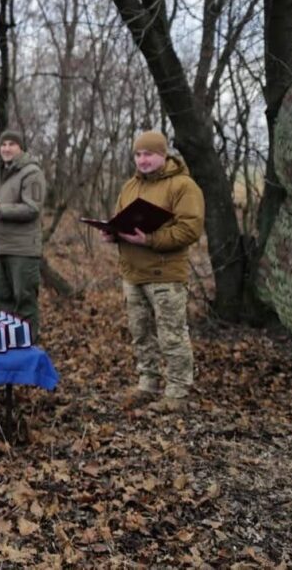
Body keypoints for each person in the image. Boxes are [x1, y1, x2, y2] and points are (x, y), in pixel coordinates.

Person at [101, 130, 204, 413]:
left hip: (165, 276)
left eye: (148, 154)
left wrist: (150, 239)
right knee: (141, 334)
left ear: (163, 154)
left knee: (172, 335)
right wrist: (112, 233)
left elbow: (190, 229)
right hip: (132, 274)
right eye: (138, 154)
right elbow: (120, 221)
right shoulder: (130, 186)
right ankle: (148, 383)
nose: (142, 160)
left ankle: (177, 393)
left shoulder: (183, 186)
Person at [0, 129, 46, 340]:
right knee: (2, 299)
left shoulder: (31, 173)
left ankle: (29, 346)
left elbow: (32, 208)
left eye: (11, 144)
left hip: (23, 250)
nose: (6, 148)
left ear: (20, 148)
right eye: (3, 144)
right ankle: (10, 345)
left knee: (24, 302)